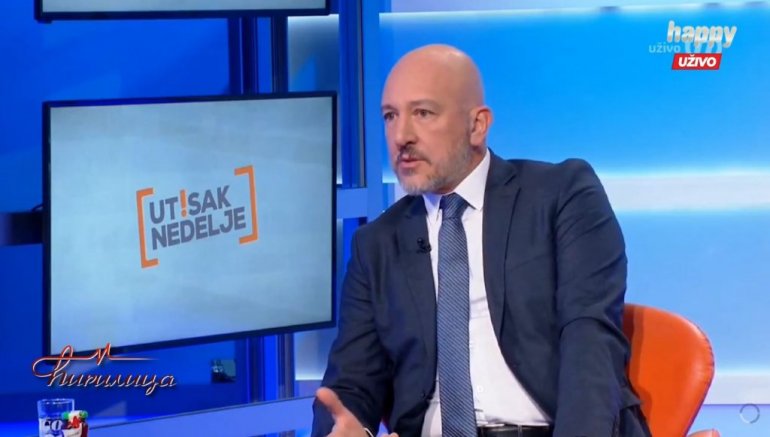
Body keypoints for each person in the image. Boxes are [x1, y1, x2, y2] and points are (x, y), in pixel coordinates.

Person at [312, 44, 651, 437]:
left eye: (423, 113)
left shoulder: (561, 195)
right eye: (390, 116)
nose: (401, 136)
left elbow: (589, 339)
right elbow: (350, 384)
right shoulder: (377, 245)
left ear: (477, 125)